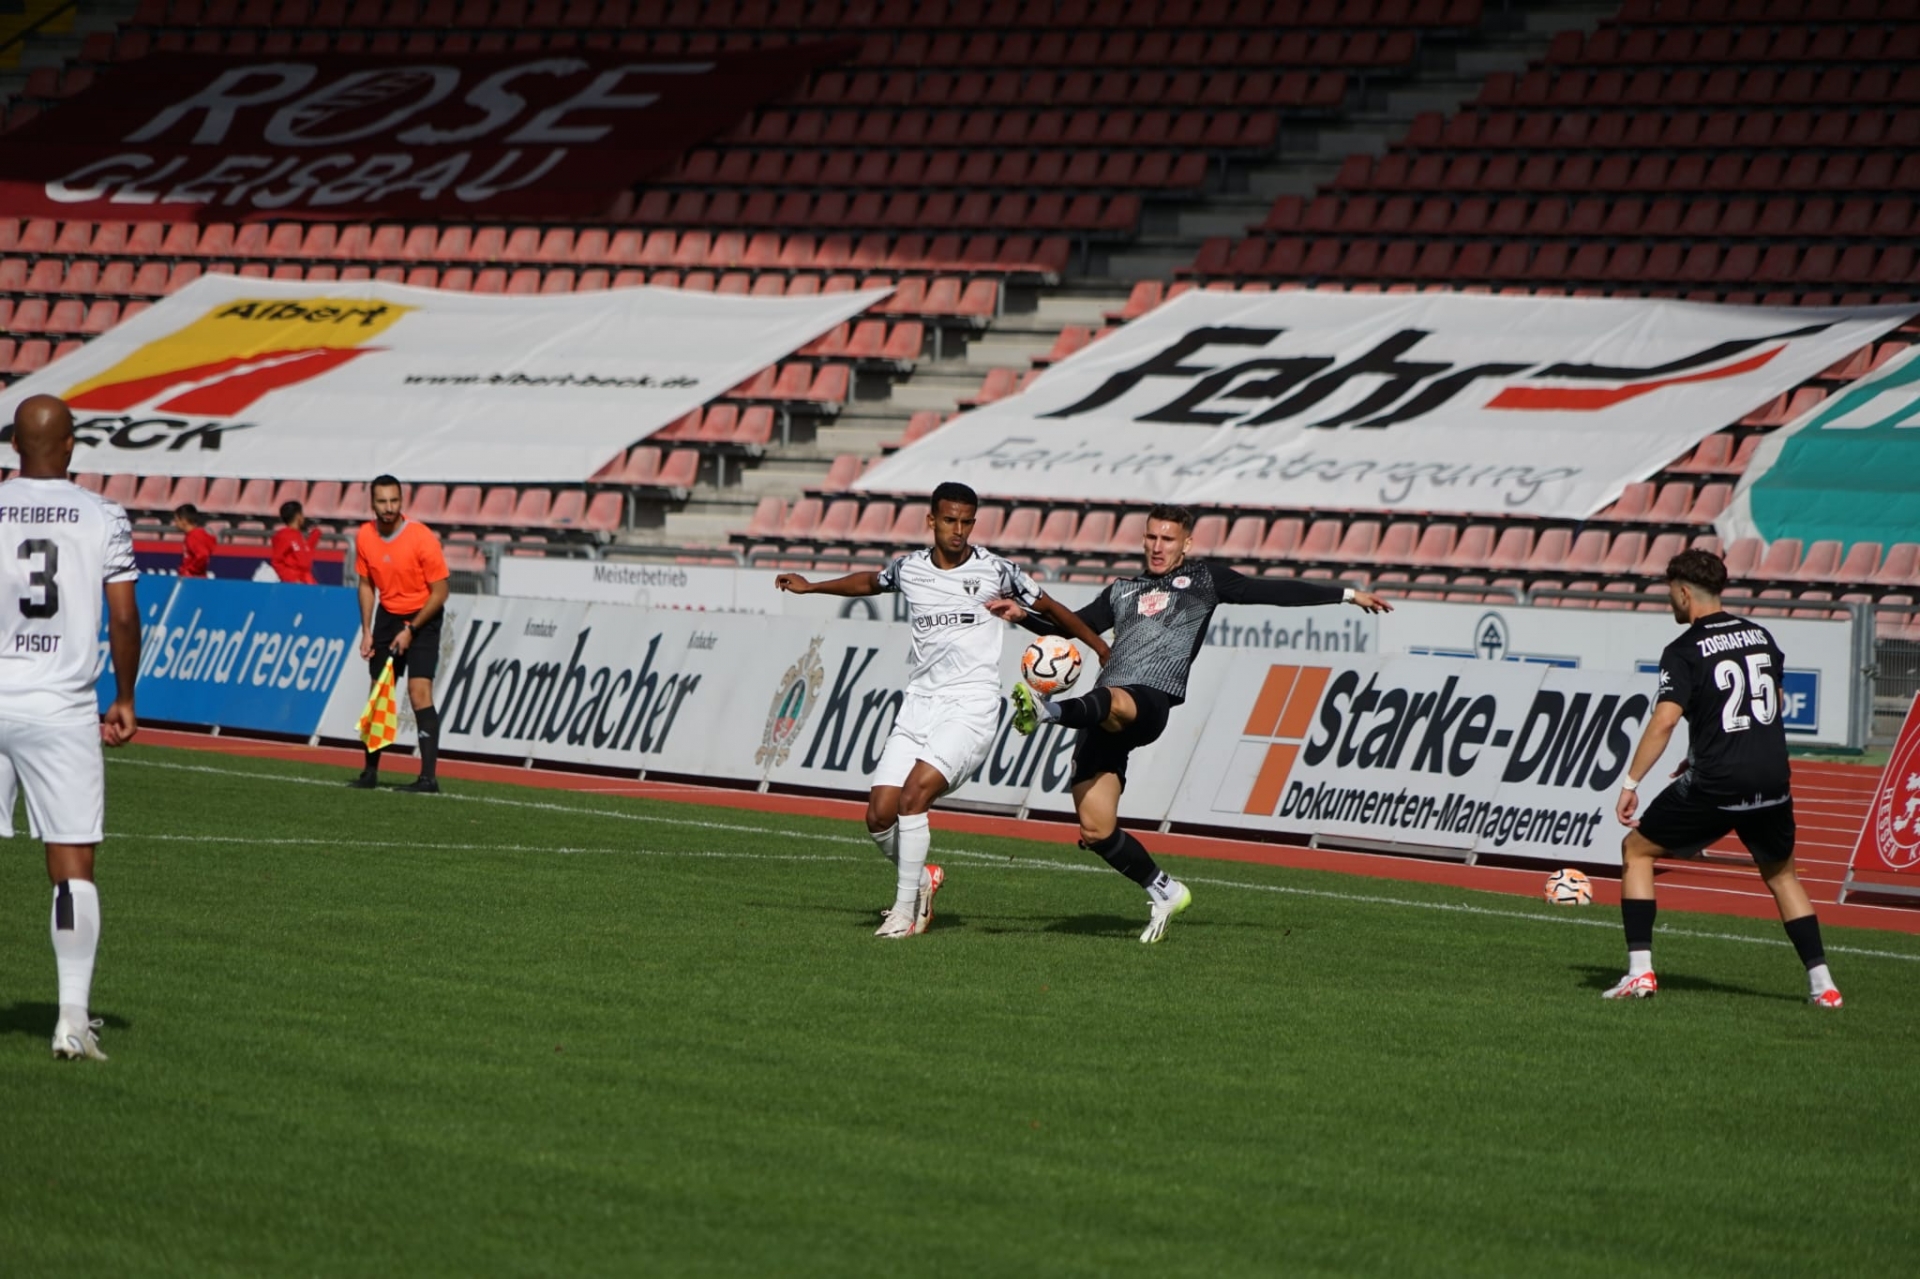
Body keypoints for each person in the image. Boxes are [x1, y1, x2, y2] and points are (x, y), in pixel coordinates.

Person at [993, 505, 1392, 943]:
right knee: (1096, 829)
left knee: (1113, 699)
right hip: (1101, 717)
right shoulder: (1122, 590)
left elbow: (1270, 590)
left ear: (1186, 543)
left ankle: (1047, 712)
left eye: (1167, 539)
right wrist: (1023, 617)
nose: (1157, 546)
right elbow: (1074, 627)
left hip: (1149, 701)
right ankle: (1165, 890)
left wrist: (1346, 595)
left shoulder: (1205, 579)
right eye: (1151, 537)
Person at [774, 481, 1110, 939]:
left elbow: (1051, 608)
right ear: (931, 520)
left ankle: (904, 912)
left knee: (914, 798)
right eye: (950, 520)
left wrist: (1099, 647)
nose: (958, 530)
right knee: (879, 816)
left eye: (966, 522)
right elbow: (870, 582)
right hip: (919, 703)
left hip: (970, 706)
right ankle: (923, 878)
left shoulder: (997, 570)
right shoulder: (911, 568)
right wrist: (812, 587)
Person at [1608, 548, 1841, 1007]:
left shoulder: (1683, 650)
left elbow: (1664, 721)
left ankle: (1639, 973)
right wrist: (1704, 749)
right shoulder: (1760, 635)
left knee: (1636, 850)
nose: (1670, 602)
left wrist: (1631, 783)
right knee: (1782, 875)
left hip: (1719, 781)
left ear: (1683, 592)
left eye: (1670, 594)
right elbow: (1771, 702)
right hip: (1772, 775)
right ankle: (1824, 986)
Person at [0, 395, 141, 1060]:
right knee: (72, 866)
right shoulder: (102, 514)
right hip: (61, 705)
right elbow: (123, 617)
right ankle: (71, 1020)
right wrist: (126, 696)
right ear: (70, 446)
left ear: (14, 446)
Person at [349, 475, 450, 794]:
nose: (389, 507)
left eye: (394, 500)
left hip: (424, 617)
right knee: (378, 692)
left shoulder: (421, 537)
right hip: (387, 618)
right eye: (382, 501)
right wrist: (367, 631)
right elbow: (366, 584)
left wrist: (411, 629)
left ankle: (428, 778)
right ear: (372, 503)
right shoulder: (365, 536)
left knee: (419, 693)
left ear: (402, 501)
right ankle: (369, 772)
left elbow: (441, 592)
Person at [270, 500, 322, 585]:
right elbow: (277, 562)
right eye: (302, 514)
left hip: (307, 581)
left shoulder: (297, 535)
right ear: (298, 516)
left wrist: (315, 535)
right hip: (295, 583)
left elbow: (305, 553)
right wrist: (292, 579)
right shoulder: (283, 536)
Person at [173, 503, 215, 578]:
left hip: (193, 580)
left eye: (176, 520)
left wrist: (189, 571)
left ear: (184, 521)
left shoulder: (195, 536)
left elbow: (203, 555)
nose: (175, 524)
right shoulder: (193, 535)